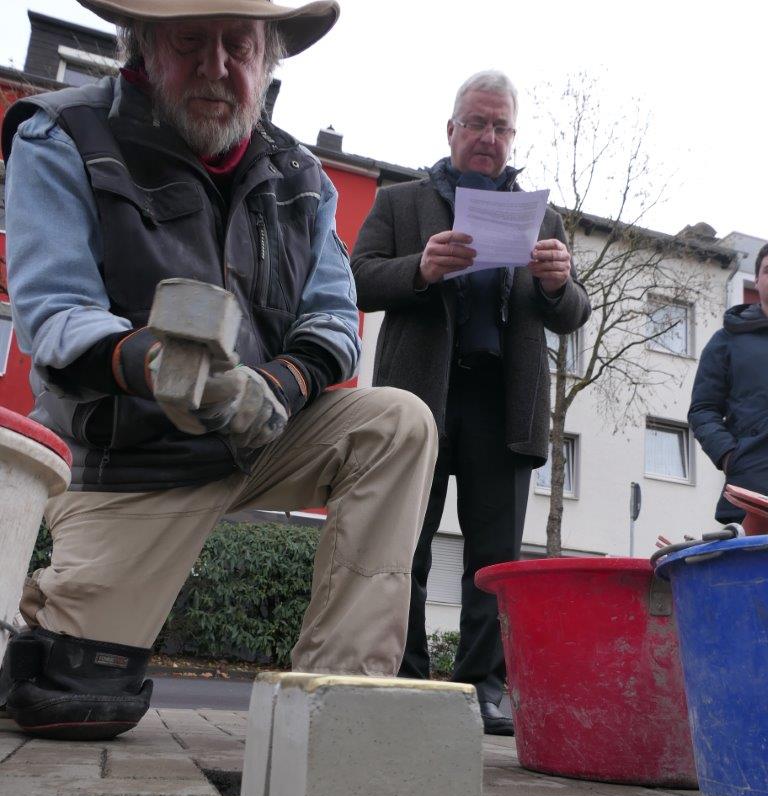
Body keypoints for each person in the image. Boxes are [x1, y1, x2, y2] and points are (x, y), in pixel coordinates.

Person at [0, 0, 437, 741]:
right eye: (190, 41)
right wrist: (158, 363)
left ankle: (336, 703)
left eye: (239, 45)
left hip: (263, 435)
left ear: (268, 59)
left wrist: (278, 386)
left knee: (397, 423)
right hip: (131, 458)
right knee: (71, 697)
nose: (216, 66)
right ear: (139, 47)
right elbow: (53, 313)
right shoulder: (62, 133)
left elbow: (334, 317)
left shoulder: (303, 175)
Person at [351, 71, 591, 735]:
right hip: (420, 398)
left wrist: (556, 284)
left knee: (494, 558)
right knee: (409, 545)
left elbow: (574, 313)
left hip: (501, 402)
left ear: (513, 136)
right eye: (477, 123)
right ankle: (404, 677)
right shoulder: (401, 202)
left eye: (501, 127)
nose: (489, 137)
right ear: (450, 129)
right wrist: (420, 270)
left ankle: (483, 686)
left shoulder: (540, 215)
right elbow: (356, 278)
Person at [689, 243, 768, 523]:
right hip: (750, 497)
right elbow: (703, 410)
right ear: (756, 279)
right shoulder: (726, 341)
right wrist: (730, 456)